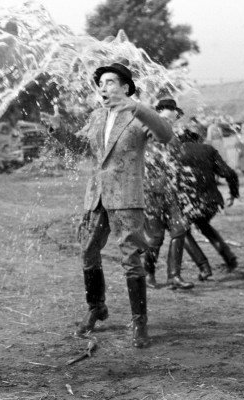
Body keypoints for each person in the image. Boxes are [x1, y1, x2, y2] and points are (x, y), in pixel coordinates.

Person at [42, 62, 174, 348]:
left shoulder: (138, 115)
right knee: (88, 251)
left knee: (130, 257)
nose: (103, 88)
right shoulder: (96, 116)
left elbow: (165, 134)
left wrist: (135, 106)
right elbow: (80, 149)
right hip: (97, 197)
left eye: (110, 82)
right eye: (101, 83)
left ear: (126, 87)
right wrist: (58, 131)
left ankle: (139, 321)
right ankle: (96, 307)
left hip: (126, 197)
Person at [143, 99, 194, 290]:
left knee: (179, 230)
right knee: (155, 238)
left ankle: (174, 276)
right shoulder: (146, 136)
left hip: (171, 192)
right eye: (165, 120)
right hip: (150, 192)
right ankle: (148, 273)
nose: (168, 124)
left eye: (171, 121)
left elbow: (179, 165)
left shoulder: (174, 139)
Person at [176, 128, 240, 275]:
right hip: (211, 202)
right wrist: (234, 193)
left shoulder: (175, 151)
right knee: (203, 225)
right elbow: (229, 173)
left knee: (181, 232)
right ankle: (229, 258)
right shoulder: (208, 150)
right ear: (197, 139)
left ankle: (204, 267)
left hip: (189, 202)